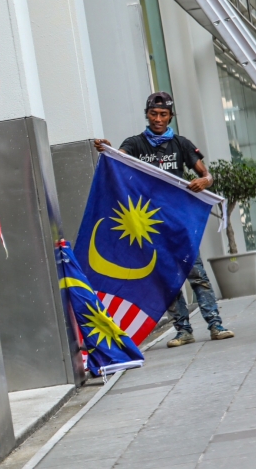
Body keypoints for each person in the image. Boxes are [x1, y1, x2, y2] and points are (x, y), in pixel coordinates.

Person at [94, 91, 234, 348]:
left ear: (170, 116)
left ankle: (216, 325)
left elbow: (206, 174)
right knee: (166, 278)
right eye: (153, 114)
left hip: (179, 223)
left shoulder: (181, 144)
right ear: (147, 114)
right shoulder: (135, 143)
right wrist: (108, 149)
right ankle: (183, 331)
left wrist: (205, 180)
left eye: (163, 114)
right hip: (148, 226)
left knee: (197, 274)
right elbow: (119, 160)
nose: (158, 119)